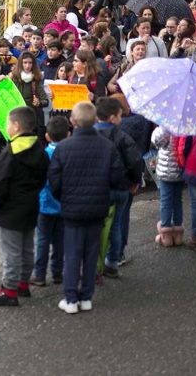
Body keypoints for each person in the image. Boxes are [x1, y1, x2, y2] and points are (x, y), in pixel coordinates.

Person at [48, 102, 122, 314]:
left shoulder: (63, 148)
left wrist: (63, 198)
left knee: (72, 254)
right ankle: (86, 296)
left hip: (71, 209)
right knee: (91, 253)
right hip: (98, 208)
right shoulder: (107, 147)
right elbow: (117, 177)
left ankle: (71, 298)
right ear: (96, 119)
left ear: (72, 121)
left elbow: (54, 179)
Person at [0, 107, 49, 306]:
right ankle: (23, 284)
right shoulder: (40, 149)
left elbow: (0, 181)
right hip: (31, 206)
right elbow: (43, 177)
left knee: (11, 251)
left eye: (8, 123)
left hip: (10, 210)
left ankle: (9, 290)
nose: (7, 126)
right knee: (27, 248)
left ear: (17, 126)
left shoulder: (10, 152)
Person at [94, 98, 141, 278]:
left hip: (97, 188)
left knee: (96, 224)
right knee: (117, 223)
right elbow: (135, 161)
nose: (122, 119)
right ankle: (112, 261)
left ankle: (95, 261)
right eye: (120, 116)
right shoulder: (123, 137)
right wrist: (135, 181)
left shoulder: (88, 135)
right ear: (113, 118)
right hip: (121, 187)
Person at [30, 116, 70, 287]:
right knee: (60, 240)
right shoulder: (70, 153)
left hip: (45, 203)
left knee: (42, 240)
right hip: (63, 204)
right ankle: (57, 272)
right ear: (68, 135)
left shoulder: (43, 154)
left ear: (47, 136)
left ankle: (39, 274)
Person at [2, 52, 49, 138]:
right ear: (20, 63)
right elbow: (3, 96)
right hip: (15, 119)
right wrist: (1, 81)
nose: (27, 66)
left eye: (30, 63)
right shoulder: (13, 78)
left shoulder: (35, 80)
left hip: (29, 121)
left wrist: (39, 103)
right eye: (25, 62)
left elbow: (45, 101)